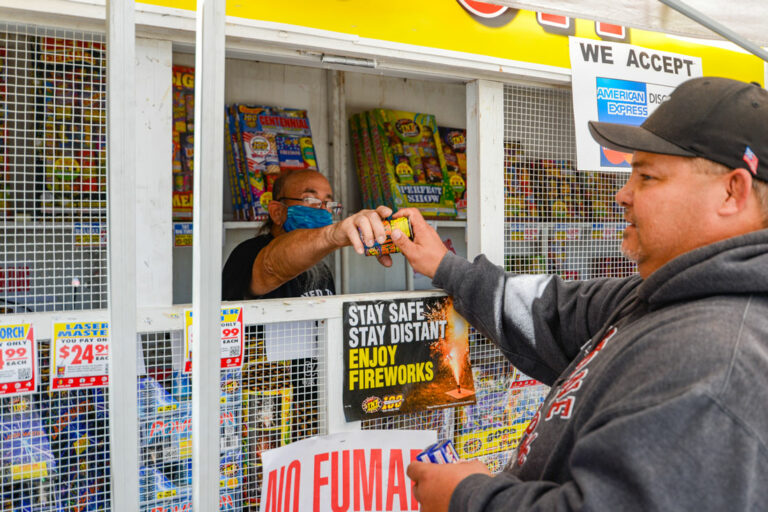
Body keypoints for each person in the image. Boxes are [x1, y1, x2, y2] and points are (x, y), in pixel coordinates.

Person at [391, 77, 768, 511]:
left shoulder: (719, 358)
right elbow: (550, 312)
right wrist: (443, 265)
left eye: (647, 176)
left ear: (731, 192)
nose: (623, 194)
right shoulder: (661, 298)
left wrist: (467, 497)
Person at [222, 168, 394, 300]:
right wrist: (332, 234)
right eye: (310, 200)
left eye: (328, 203)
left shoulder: (321, 270)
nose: (323, 210)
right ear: (277, 212)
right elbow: (271, 266)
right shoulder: (248, 253)